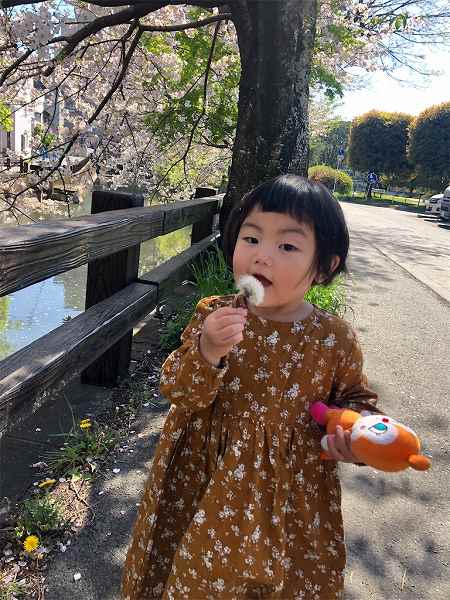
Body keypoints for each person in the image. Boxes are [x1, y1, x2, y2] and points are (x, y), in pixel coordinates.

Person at [122, 175, 380, 600]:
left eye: (288, 246)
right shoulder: (213, 314)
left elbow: (356, 402)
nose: (262, 257)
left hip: (290, 500)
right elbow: (180, 392)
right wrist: (207, 350)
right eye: (251, 238)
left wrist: (356, 434)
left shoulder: (334, 338)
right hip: (204, 486)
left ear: (325, 266)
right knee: (198, 581)